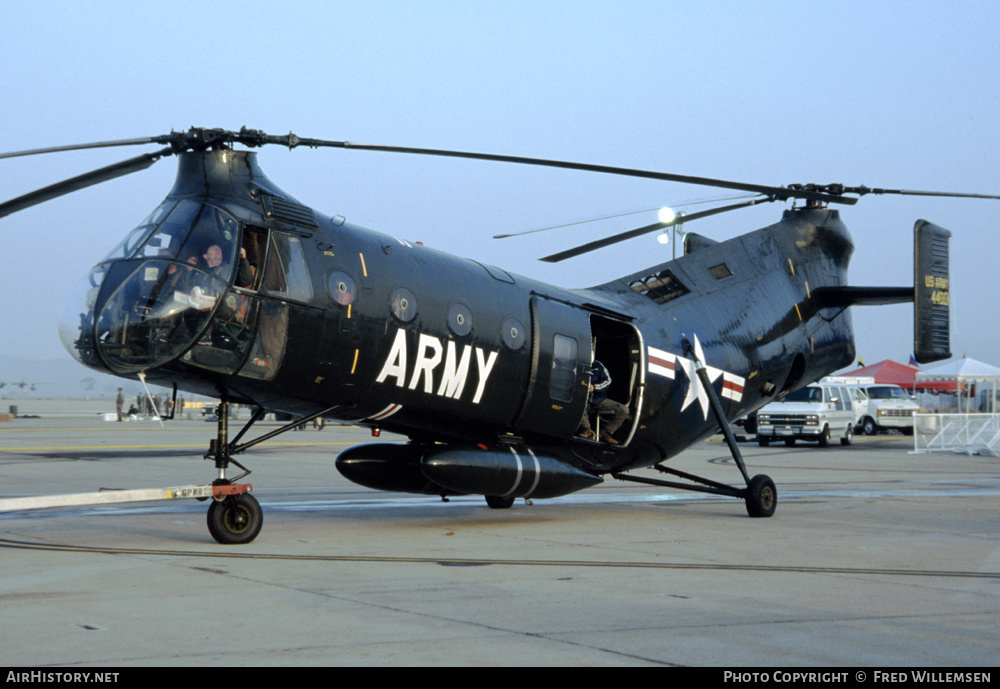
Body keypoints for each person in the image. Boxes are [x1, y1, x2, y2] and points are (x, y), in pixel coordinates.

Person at [577, 360, 629, 444]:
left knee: (623, 410)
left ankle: (605, 432)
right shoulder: (577, 363)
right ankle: (586, 429)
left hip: (598, 400)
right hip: (581, 400)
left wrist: (595, 387)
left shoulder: (598, 365)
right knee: (577, 403)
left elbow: (608, 381)